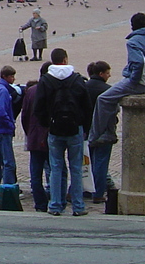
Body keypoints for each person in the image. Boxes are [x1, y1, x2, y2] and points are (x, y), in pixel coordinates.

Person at [87, 13, 145, 148]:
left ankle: (95, 137)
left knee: (103, 99)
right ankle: (109, 131)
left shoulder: (133, 42)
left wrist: (133, 80)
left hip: (138, 82)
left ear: (132, 26)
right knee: (112, 96)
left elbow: (138, 62)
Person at [35, 48, 92, 217]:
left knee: (56, 167)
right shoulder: (77, 79)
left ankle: (55, 204)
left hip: (55, 128)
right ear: (66, 60)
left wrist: (47, 123)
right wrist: (84, 125)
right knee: (75, 167)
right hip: (75, 128)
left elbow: (38, 107)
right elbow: (87, 106)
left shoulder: (46, 80)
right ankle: (78, 205)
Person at [20, 66, 50, 212]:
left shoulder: (31, 91)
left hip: (34, 138)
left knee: (36, 174)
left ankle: (40, 203)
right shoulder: (53, 90)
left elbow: (24, 116)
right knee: (56, 170)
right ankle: (57, 199)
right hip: (51, 137)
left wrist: (29, 132)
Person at [85, 61, 114, 203]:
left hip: (85, 130)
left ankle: (83, 189)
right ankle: (98, 192)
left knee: (85, 163)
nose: (109, 75)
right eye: (108, 73)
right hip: (103, 132)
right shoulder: (108, 90)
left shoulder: (84, 87)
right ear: (101, 74)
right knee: (101, 163)